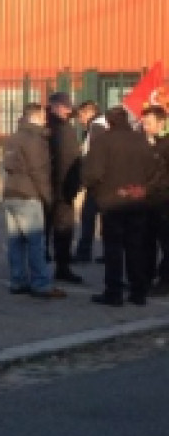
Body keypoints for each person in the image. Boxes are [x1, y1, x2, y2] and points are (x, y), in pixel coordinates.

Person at [85, 106, 159, 306]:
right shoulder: (141, 140)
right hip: (137, 201)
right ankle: (138, 292)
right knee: (136, 247)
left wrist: (96, 193)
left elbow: (92, 174)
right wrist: (143, 190)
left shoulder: (103, 142)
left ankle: (114, 292)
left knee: (113, 248)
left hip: (112, 202)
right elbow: (153, 171)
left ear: (109, 122)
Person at [2, 104, 65, 299]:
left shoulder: (13, 138)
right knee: (36, 242)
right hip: (29, 194)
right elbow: (39, 171)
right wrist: (46, 199)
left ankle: (18, 281)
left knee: (16, 242)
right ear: (35, 117)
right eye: (43, 116)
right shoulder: (35, 140)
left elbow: (8, 165)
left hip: (11, 192)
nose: (46, 120)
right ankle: (41, 284)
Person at [45, 92, 84, 284]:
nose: (69, 110)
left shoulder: (58, 127)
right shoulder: (54, 128)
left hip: (59, 187)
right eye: (65, 107)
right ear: (55, 106)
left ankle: (60, 266)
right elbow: (65, 161)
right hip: (58, 188)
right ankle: (58, 267)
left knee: (58, 230)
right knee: (59, 229)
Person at [143, 106, 169, 295]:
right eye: (144, 123)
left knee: (166, 242)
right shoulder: (146, 142)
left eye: (149, 123)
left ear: (161, 123)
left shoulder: (165, 145)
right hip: (147, 200)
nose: (145, 126)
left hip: (164, 200)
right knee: (147, 241)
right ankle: (147, 276)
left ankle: (165, 280)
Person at [74, 100, 104, 263]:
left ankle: (84, 252)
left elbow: (93, 156)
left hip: (96, 181)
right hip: (105, 180)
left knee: (88, 216)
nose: (80, 120)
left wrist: (85, 179)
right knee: (104, 217)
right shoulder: (102, 124)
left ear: (89, 112)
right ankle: (106, 252)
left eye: (81, 115)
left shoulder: (96, 127)